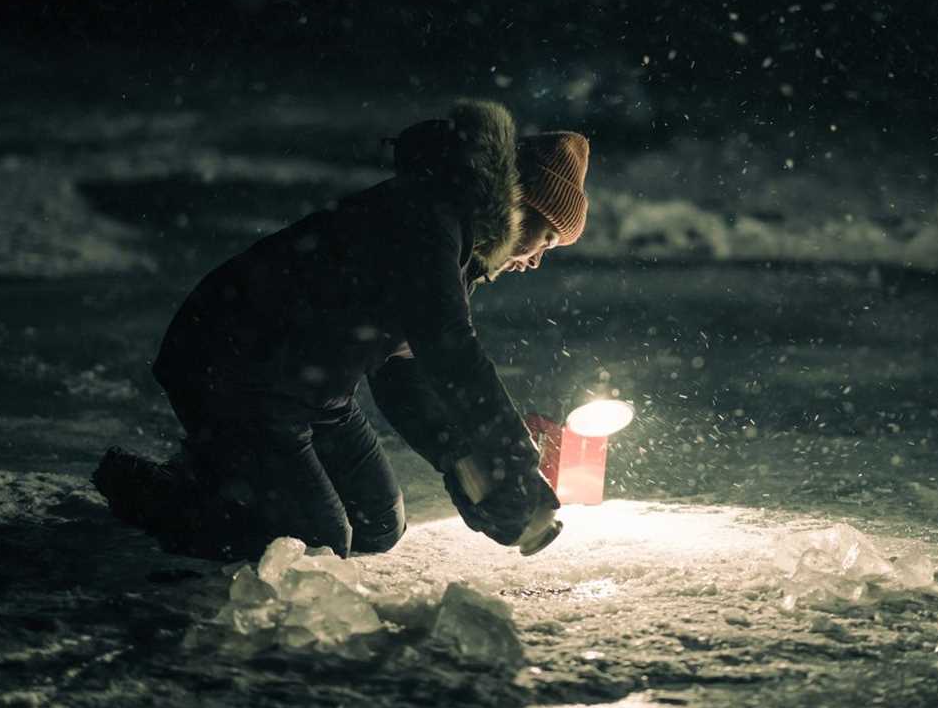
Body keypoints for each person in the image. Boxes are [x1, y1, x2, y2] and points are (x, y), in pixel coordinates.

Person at [92, 99, 590, 561]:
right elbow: (450, 350)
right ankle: (158, 493)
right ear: (520, 204)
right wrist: (513, 455)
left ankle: (226, 472)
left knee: (377, 526)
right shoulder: (431, 218)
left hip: (313, 388)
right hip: (233, 369)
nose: (536, 261)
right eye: (545, 240)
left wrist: (456, 454)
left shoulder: (464, 248)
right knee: (316, 543)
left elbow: (403, 371)